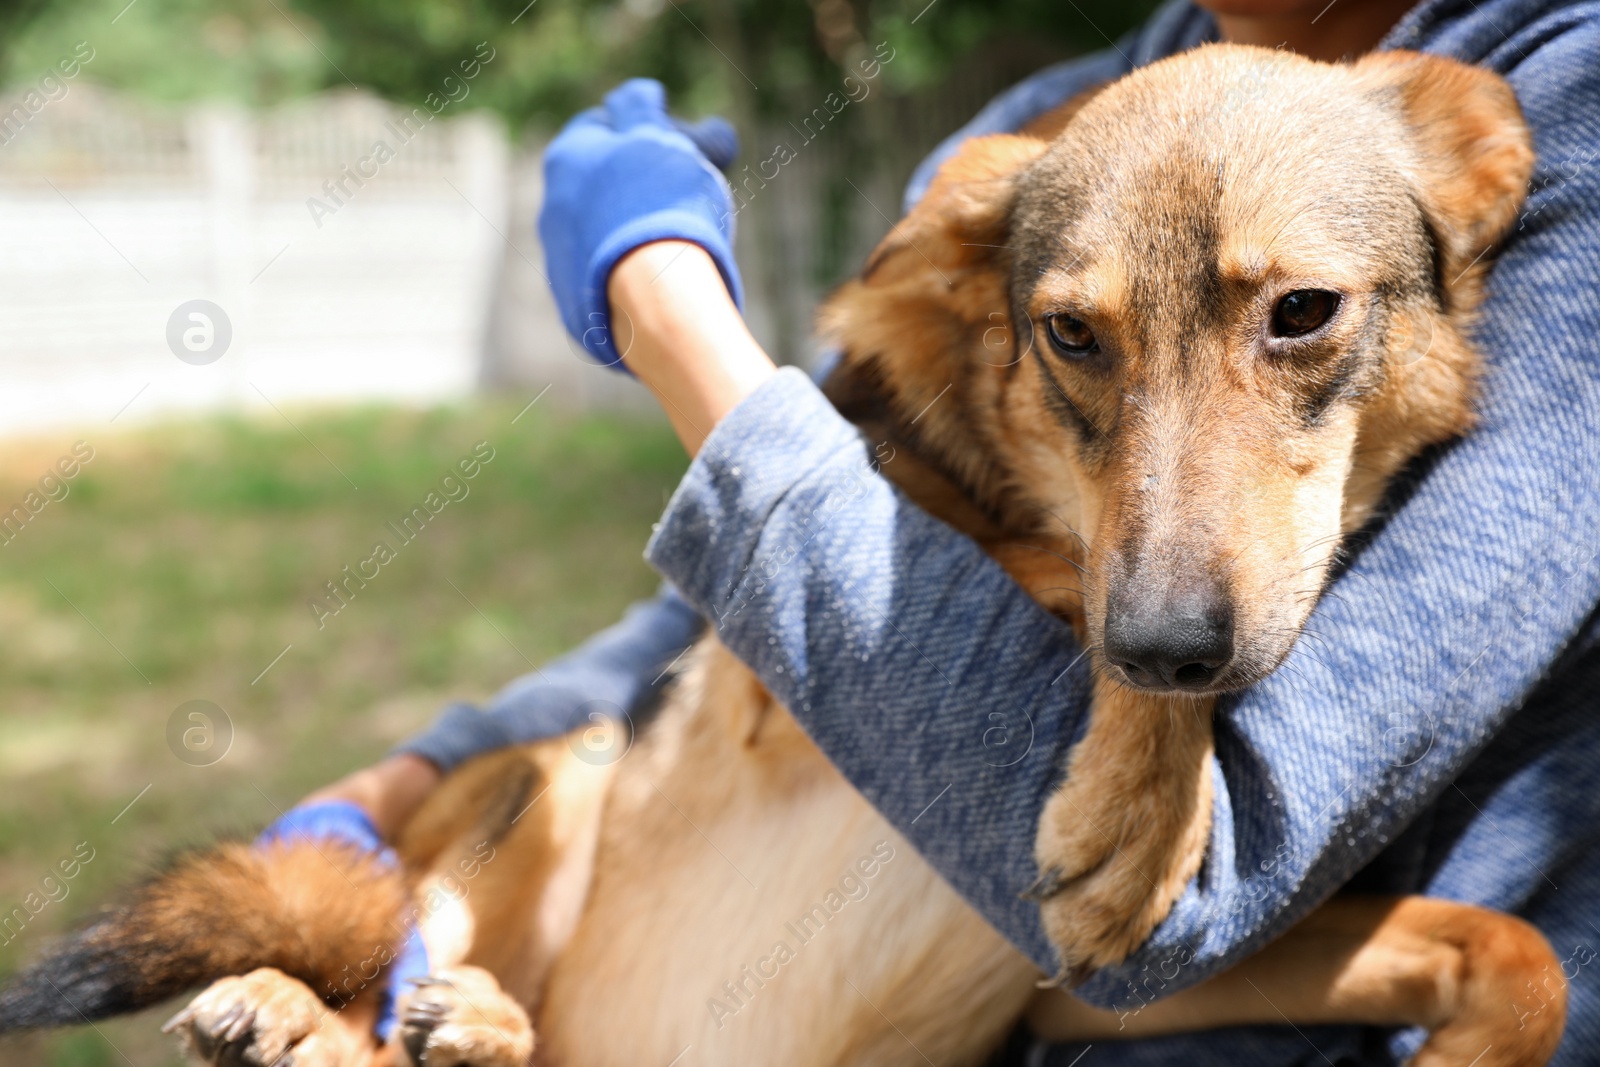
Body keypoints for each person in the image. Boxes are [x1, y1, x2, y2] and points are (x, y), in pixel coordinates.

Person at [274, 0, 1600, 1061]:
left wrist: (674, 326)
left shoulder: (1562, 100)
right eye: (1079, 337)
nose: (1163, 575)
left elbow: (1162, 899)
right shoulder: (1032, 141)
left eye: (1298, 316)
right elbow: (768, 586)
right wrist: (406, 785)